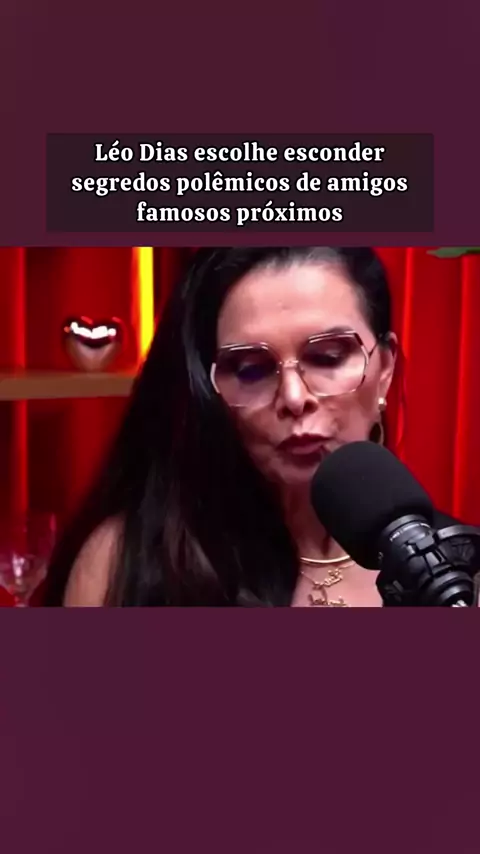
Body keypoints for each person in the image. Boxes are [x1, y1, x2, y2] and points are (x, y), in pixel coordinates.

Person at [43, 247, 455, 608]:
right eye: (252, 370)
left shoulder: (452, 573)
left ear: (384, 368)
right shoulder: (127, 563)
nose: (294, 397)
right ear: (209, 389)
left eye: (328, 357)